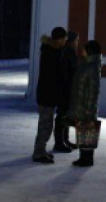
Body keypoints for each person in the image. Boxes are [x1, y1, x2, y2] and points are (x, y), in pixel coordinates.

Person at [32, 26, 67, 164]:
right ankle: (39, 153)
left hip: (48, 95)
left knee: (46, 125)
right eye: (64, 39)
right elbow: (52, 77)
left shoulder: (52, 51)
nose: (65, 41)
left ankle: (40, 150)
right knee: (45, 126)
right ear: (59, 39)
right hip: (47, 96)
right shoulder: (51, 54)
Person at [67, 39, 102, 167]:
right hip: (81, 104)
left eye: (84, 49)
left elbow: (93, 90)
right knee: (83, 131)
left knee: (87, 131)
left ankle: (87, 159)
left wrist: (89, 109)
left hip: (86, 106)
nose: (82, 51)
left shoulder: (92, 67)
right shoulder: (87, 64)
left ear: (90, 51)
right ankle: (84, 157)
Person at [54, 30, 80, 153]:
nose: (77, 43)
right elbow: (65, 74)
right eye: (76, 40)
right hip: (65, 90)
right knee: (62, 116)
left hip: (69, 90)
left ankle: (65, 140)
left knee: (66, 115)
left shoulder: (71, 53)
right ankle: (59, 142)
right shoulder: (66, 54)